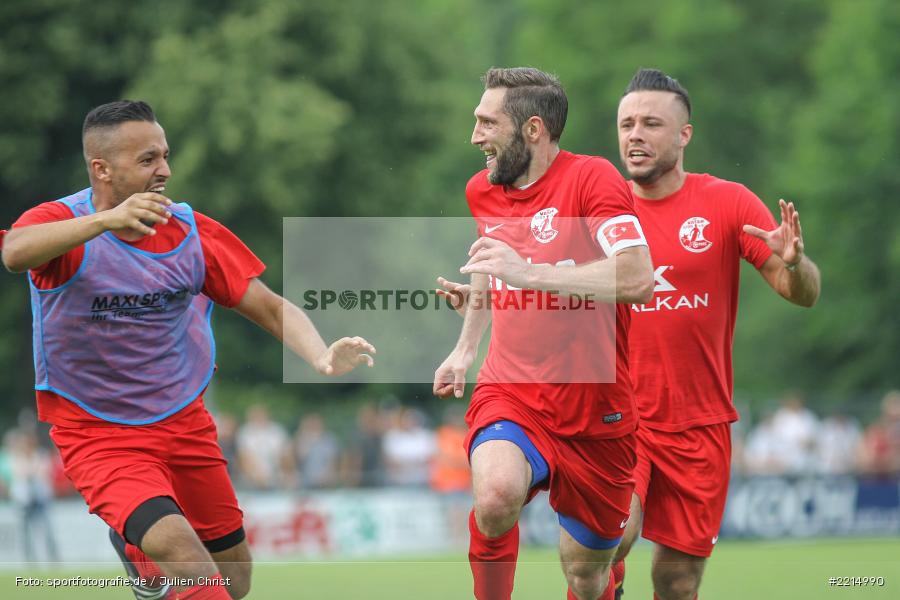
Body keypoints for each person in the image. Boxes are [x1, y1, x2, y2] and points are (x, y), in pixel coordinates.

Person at [1, 100, 375, 600]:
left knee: (234, 582)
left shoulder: (190, 232)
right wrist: (105, 221)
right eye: (149, 159)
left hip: (184, 421)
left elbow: (266, 305)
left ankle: (139, 555)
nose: (166, 170)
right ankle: (144, 546)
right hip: (98, 430)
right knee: (188, 563)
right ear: (102, 169)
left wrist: (321, 355)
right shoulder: (62, 225)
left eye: (165, 155)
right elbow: (13, 251)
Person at [433, 67, 654, 600]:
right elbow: (491, 264)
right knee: (495, 496)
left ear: (532, 129)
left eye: (487, 123)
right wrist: (464, 348)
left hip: (597, 407)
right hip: (513, 391)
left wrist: (529, 272)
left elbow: (639, 277)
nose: (475, 136)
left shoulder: (592, 179)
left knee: (586, 573)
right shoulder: (482, 191)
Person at [608, 68, 821, 600]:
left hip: (699, 424)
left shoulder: (726, 202)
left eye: (651, 123)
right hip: (618, 416)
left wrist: (794, 263)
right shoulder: (601, 207)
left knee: (675, 582)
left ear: (684, 135)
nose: (635, 134)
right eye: (627, 123)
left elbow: (802, 292)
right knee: (611, 538)